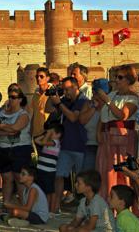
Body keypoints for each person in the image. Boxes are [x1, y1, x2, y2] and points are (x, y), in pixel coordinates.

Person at [95, 65, 139, 198]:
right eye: (115, 77)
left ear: (128, 79)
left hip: (122, 138)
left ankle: (122, 204)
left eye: (120, 77)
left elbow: (122, 115)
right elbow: (103, 117)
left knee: (120, 172)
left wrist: (107, 101)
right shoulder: (113, 94)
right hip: (107, 137)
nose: (116, 80)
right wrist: (98, 132)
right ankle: (107, 203)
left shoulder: (132, 98)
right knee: (105, 171)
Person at [46, 77, 89, 212]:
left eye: (68, 89)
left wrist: (59, 104)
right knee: (58, 176)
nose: (66, 92)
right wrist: (52, 95)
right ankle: (56, 207)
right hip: (65, 146)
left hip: (80, 145)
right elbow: (48, 108)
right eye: (64, 89)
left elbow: (73, 117)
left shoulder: (83, 101)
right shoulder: (64, 100)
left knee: (83, 179)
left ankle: (84, 209)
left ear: (76, 87)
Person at [0, 85, 31, 206]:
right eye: (9, 97)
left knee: (19, 179)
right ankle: (6, 204)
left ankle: (23, 206)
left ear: (20, 99)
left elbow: (16, 128)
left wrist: (3, 126)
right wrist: (7, 130)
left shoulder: (23, 114)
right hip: (3, 148)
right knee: (6, 178)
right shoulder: (3, 112)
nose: (11, 99)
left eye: (14, 97)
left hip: (19, 148)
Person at [35, 123, 63, 215]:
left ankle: (51, 210)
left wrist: (48, 134)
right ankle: (44, 208)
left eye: (52, 133)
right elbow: (36, 140)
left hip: (49, 171)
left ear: (58, 135)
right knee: (42, 190)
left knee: (50, 191)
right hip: (41, 169)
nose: (50, 134)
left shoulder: (55, 142)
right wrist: (46, 133)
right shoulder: (48, 141)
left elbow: (42, 142)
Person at [29, 67, 53, 137]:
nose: (38, 78)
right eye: (37, 76)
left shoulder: (52, 93)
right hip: (36, 133)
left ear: (47, 78)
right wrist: (31, 129)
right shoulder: (35, 94)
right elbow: (34, 113)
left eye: (41, 76)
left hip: (47, 134)